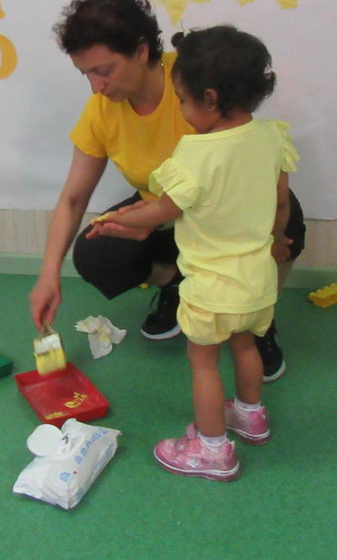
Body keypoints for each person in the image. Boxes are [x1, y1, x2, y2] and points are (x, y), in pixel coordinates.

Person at [27, 0, 304, 380]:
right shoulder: (101, 110)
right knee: (97, 250)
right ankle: (181, 288)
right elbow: (73, 199)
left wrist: (271, 233)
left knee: (287, 221)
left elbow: (243, 163)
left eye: (103, 70)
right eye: (86, 73)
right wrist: (48, 274)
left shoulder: (197, 79)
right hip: (165, 214)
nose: (96, 87)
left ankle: (256, 317)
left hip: (221, 214)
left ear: (141, 51)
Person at [87, 26, 294, 480]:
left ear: (211, 98)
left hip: (211, 286)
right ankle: (251, 415)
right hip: (257, 278)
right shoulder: (271, 138)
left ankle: (213, 448)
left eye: (182, 100)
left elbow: (162, 209)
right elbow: (281, 202)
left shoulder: (197, 153)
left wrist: (116, 221)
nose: (179, 109)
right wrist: (276, 241)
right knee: (245, 346)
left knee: (203, 362)